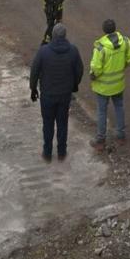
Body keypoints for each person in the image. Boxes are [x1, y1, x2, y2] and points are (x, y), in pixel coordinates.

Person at [30, 22, 84, 162]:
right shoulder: (73, 50)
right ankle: (62, 152)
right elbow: (79, 70)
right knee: (62, 123)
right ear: (65, 35)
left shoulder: (44, 51)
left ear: (52, 35)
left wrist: (33, 88)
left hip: (47, 94)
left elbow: (34, 70)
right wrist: (74, 85)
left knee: (47, 124)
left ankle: (47, 153)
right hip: (64, 94)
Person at [89, 18, 130, 152]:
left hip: (103, 87)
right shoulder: (125, 42)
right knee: (119, 107)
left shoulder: (101, 48)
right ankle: (120, 136)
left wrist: (92, 76)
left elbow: (96, 68)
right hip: (118, 84)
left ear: (104, 30)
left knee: (102, 112)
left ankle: (100, 141)